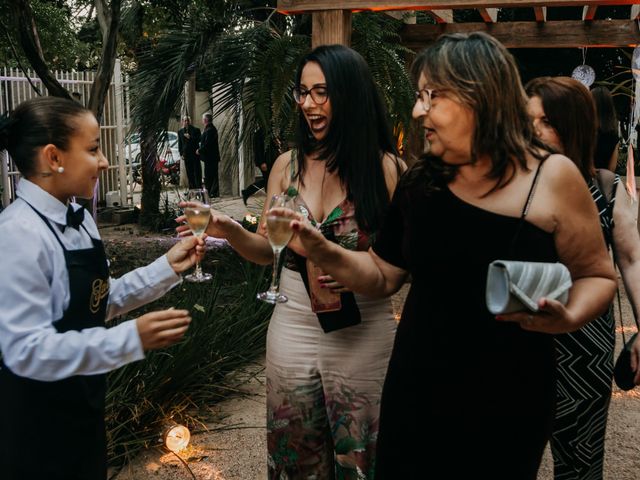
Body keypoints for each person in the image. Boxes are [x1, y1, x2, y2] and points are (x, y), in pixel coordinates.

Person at [284, 33, 617, 479]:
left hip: (509, 399)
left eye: (431, 96)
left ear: (479, 95)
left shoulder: (552, 177)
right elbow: (382, 274)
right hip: (417, 389)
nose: (419, 110)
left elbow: (598, 275)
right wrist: (322, 249)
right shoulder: (421, 180)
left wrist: (570, 314)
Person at [179, 44, 405, 478]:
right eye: (302, 92)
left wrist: (355, 266)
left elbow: (401, 264)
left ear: (350, 94)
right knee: (294, 454)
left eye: (321, 92)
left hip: (363, 331)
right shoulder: (287, 166)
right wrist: (227, 229)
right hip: (293, 323)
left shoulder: (387, 169)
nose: (307, 104)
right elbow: (267, 251)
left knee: (364, 457)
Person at [0, 96, 203, 479]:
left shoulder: (82, 220)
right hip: (35, 432)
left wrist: (167, 268)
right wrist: (129, 339)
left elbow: (97, 303)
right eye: (93, 149)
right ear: (53, 158)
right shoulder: (17, 235)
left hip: (84, 418)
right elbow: (25, 351)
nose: (105, 161)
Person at [526, 76, 640, 480]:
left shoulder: (606, 188)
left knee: (581, 460)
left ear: (572, 127)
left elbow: (631, 258)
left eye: (545, 122)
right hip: (519, 337)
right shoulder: (513, 185)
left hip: (585, 345)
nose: (533, 131)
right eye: (529, 121)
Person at [241, 126, 275, 205]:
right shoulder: (259, 133)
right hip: (264, 162)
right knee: (268, 180)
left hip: (270, 161)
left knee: (268, 180)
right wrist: (261, 162)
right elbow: (258, 149)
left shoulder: (271, 132)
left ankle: (247, 192)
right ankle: (269, 200)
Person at [591, 86, 620, 172]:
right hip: (603, 182)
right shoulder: (613, 136)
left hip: (582, 181)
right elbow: (611, 168)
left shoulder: (585, 132)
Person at [198, 112, 220, 197]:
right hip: (210, 157)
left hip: (211, 157)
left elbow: (207, 144)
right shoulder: (209, 129)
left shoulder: (210, 129)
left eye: (203, 119)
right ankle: (211, 192)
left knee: (210, 175)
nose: (202, 121)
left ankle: (211, 192)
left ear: (206, 119)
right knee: (211, 175)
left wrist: (199, 150)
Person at [178, 115, 202, 188]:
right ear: (183, 122)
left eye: (188, 120)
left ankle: (198, 186)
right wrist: (181, 153)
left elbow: (199, 140)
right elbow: (180, 143)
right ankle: (191, 187)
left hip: (194, 154)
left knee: (196, 171)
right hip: (186, 155)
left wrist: (190, 137)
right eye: (185, 121)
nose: (186, 122)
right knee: (189, 172)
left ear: (190, 121)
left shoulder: (196, 130)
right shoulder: (180, 131)